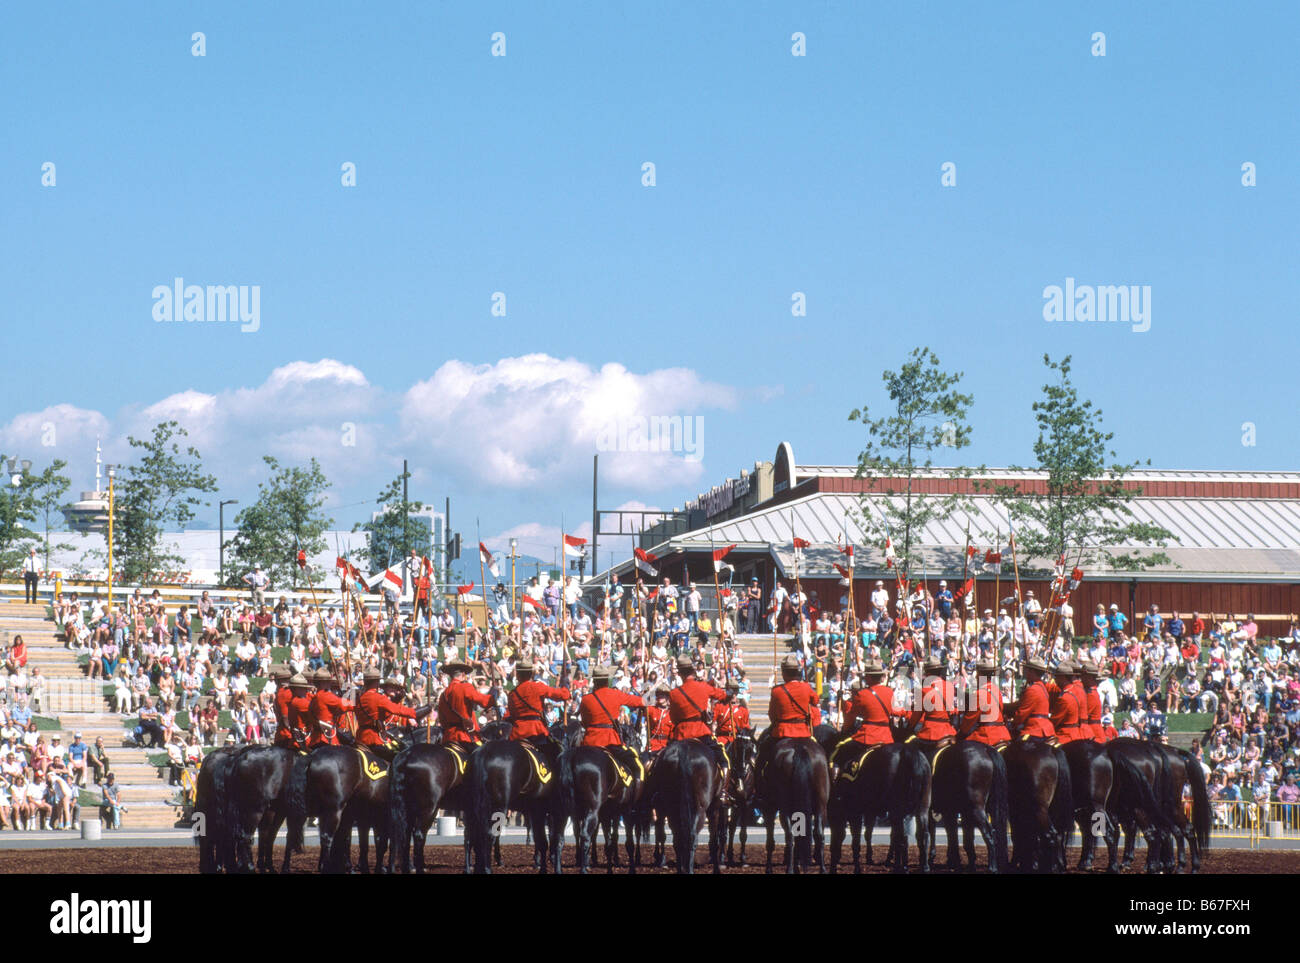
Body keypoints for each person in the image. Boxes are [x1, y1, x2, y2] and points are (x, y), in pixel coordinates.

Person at [356, 669, 431, 754]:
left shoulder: (359, 698)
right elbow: (397, 710)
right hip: (373, 739)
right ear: (377, 682)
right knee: (398, 759)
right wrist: (420, 711)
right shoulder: (378, 698)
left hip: (360, 737)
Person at [507, 658, 570, 747]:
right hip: (536, 731)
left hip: (518, 732)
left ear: (517, 675)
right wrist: (565, 685)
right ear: (531, 673)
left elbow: (512, 715)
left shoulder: (512, 694)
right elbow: (563, 695)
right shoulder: (538, 686)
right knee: (556, 752)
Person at [907, 654, 957, 755]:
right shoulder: (950, 686)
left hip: (932, 733)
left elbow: (916, 716)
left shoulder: (925, 690)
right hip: (949, 731)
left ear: (927, 672)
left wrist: (909, 728)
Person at [436, 660, 494, 746]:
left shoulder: (443, 694)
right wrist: (494, 694)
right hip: (466, 736)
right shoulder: (465, 687)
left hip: (448, 737)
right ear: (463, 674)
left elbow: (442, 720)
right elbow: (485, 702)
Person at [1011, 657, 1056, 742]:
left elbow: (1021, 714)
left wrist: (1012, 723)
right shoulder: (1042, 686)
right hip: (1046, 728)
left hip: (1035, 729)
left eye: (1027, 670)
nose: (1025, 672)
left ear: (1031, 671)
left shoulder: (1033, 689)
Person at [307, 667, 353, 747]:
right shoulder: (326, 696)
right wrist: (354, 695)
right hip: (327, 738)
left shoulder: (315, 697)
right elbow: (347, 705)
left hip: (315, 739)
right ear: (323, 683)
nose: (329, 684)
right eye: (328, 682)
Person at [1049, 660, 1086, 745]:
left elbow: (1055, 720)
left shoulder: (1065, 697)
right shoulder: (1072, 691)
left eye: (1057, 677)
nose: (1055, 680)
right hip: (1075, 733)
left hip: (1065, 735)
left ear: (1063, 678)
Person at [646, 686, 673, 752]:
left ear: (667, 697)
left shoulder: (672, 713)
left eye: (663, 695)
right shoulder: (652, 709)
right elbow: (643, 704)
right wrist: (649, 692)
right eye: (658, 694)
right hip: (652, 745)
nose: (660, 696)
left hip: (666, 746)